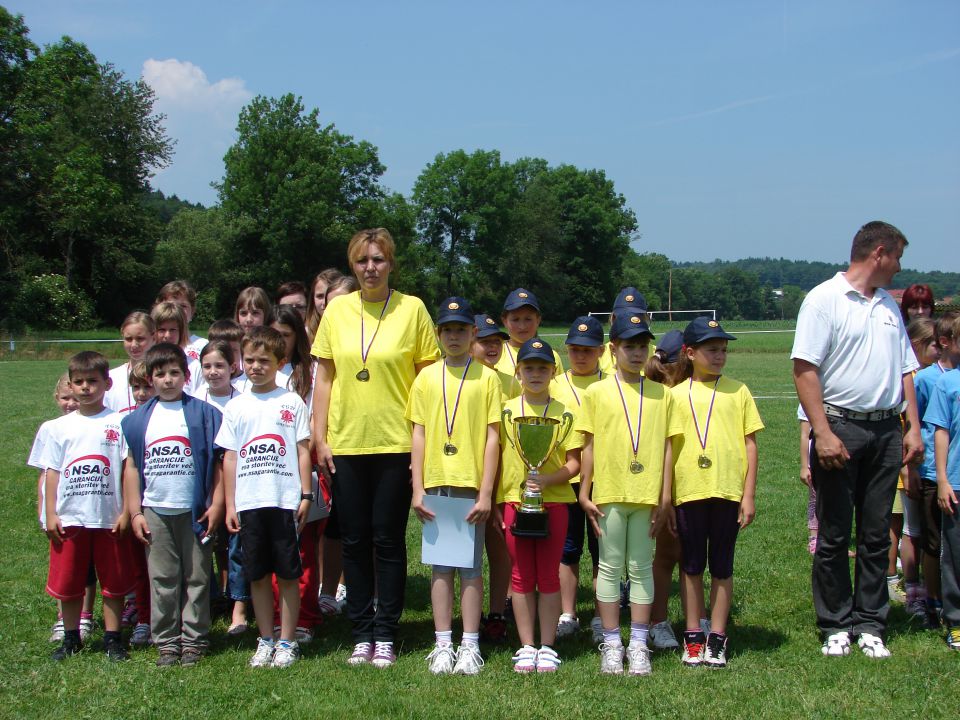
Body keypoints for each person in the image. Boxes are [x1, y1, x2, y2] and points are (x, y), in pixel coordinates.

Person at [792, 221, 922, 659]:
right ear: (879, 252)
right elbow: (804, 369)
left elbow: (907, 370)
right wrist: (822, 432)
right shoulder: (823, 300)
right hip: (841, 427)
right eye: (898, 257)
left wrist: (913, 428)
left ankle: (870, 624)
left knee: (874, 532)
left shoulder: (888, 305)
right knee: (833, 533)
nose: (900, 267)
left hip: (887, 430)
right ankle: (834, 623)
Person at [311, 228, 439, 668]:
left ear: (391, 264)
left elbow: (428, 380)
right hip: (346, 443)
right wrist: (319, 436)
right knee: (353, 539)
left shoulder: (413, 309)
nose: (370, 268)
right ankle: (360, 630)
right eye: (363, 261)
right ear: (353, 264)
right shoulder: (338, 311)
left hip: (396, 442)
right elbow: (324, 378)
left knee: (387, 540)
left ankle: (385, 631)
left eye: (378, 260)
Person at [578, 313, 679, 676]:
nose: (637, 353)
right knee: (608, 565)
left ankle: (637, 643)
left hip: (647, 496)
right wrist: (585, 492)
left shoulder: (662, 394)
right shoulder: (596, 392)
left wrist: (665, 496)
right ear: (613, 349)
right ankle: (611, 642)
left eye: (642, 346)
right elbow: (587, 445)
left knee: (639, 566)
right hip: (609, 493)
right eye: (629, 346)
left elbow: (669, 449)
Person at [408, 297, 501, 675]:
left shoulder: (488, 378)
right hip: (435, 484)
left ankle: (470, 644)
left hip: (469, 484)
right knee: (441, 567)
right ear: (438, 334)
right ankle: (443, 643)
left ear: (473, 333)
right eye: (448, 329)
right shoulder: (426, 377)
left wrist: (486, 492)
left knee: (471, 567)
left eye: (462, 329)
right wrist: (417, 488)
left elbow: (494, 437)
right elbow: (418, 434)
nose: (454, 336)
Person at [667, 318, 763, 668]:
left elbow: (750, 445)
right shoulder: (674, 395)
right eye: (711, 349)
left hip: (727, 491)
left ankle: (718, 636)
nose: (719, 355)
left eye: (723, 349)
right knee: (691, 565)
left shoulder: (739, 391)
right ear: (690, 353)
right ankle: (693, 635)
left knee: (722, 565)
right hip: (688, 491)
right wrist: (668, 497)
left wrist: (748, 494)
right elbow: (666, 450)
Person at [121, 343, 224, 667]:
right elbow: (133, 468)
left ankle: (194, 639)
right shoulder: (137, 420)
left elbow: (220, 465)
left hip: (195, 511)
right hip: (156, 510)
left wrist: (218, 504)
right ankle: (165, 640)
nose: (168, 380)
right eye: (160, 374)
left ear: (185, 375)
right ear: (150, 378)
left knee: (197, 577)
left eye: (174, 373)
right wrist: (135, 511)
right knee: (163, 578)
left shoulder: (205, 415)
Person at [218, 327, 313, 668]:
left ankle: (287, 641)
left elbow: (303, 450)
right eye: (250, 360)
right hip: (249, 502)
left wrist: (305, 494)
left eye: (264, 360)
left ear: (281, 362)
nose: (256, 366)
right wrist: (230, 504)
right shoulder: (236, 406)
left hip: (284, 500)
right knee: (257, 574)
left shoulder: (291, 402)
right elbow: (229, 457)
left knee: (287, 574)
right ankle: (266, 638)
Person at [40, 351, 134, 662]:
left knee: (114, 581)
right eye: (78, 382)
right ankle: (70, 637)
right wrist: (51, 513)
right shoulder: (55, 428)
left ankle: (112, 637)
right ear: (70, 384)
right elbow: (51, 473)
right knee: (70, 583)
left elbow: (126, 469)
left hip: (108, 518)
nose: (85, 387)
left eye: (92, 381)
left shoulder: (121, 423)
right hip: (71, 518)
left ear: (107, 383)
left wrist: (125, 512)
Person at [499, 339, 582, 673]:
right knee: (520, 575)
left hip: (556, 504)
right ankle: (526, 645)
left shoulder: (565, 412)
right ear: (518, 372)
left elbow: (575, 464)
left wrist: (548, 481)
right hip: (513, 501)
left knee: (548, 574)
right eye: (529, 368)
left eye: (542, 368)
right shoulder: (505, 410)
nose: (536, 374)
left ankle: (547, 645)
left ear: (553, 371)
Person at [28, 374, 96, 644]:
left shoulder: (90, 426)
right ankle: (63, 618)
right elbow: (45, 474)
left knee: (89, 568)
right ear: (57, 399)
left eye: (73, 397)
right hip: (62, 511)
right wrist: (45, 511)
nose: (70, 403)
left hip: (88, 508)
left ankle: (86, 615)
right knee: (67, 569)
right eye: (65, 398)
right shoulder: (51, 428)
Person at [550, 316, 606, 642]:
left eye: (587, 350)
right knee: (567, 549)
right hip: (564, 480)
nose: (580, 355)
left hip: (603, 480)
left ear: (600, 350)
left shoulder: (613, 382)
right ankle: (567, 612)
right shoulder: (555, 384)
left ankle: (601, 615)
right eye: (574, 349)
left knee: (603, 551)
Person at [911, 313, 960, 624]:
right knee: (943, 549)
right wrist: (936, 476)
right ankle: (943, 608)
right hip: (944, 477)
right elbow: (933, 429)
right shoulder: (939, 381)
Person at [641, 329, 686, 650]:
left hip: (693, 485)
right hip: (665, 488)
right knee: (669, 555)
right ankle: (659, 621)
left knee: (683, 555)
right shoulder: (663, 398)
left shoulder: (684, 392)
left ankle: (692, 621)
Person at [469, 313, 513, 644]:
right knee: (462, 556)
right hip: (466, 476)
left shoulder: (512, 382)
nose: (492, 346)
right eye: (485, 340)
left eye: (497, 340)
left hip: (504, 477)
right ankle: (466, 615)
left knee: (500, 551)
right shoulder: (458, 381)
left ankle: (497, 612)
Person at [495, 288, 564, 395]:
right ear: (504, 321)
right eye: (515, 319)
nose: (522, 326)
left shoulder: (551, 356)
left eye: (528, 319)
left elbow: (559, 393)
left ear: (538, 320)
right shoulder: (496, 355)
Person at [104, 311, 155, 414]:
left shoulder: (162, 376)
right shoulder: (111, 377)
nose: (134, 345)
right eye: (128, 339)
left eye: (140, 339)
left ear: (153, 337)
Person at [599, 288, 650, 375]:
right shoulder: (598, 355)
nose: (630, 320)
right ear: (613, 318)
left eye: (636, 316)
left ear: (645, 318)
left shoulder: (659, 354)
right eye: (623, 316)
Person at [155, 281, 205, 360]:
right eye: (170, 305)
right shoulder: (151, 343)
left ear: (192, 311)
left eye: (183, 306)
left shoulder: (204, 346)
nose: (177, 310)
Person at [306, 268, 344, 343]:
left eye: (332, 297)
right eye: (320, 296)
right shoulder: (305, 335)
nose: (325, 302)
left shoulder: (359, 329)